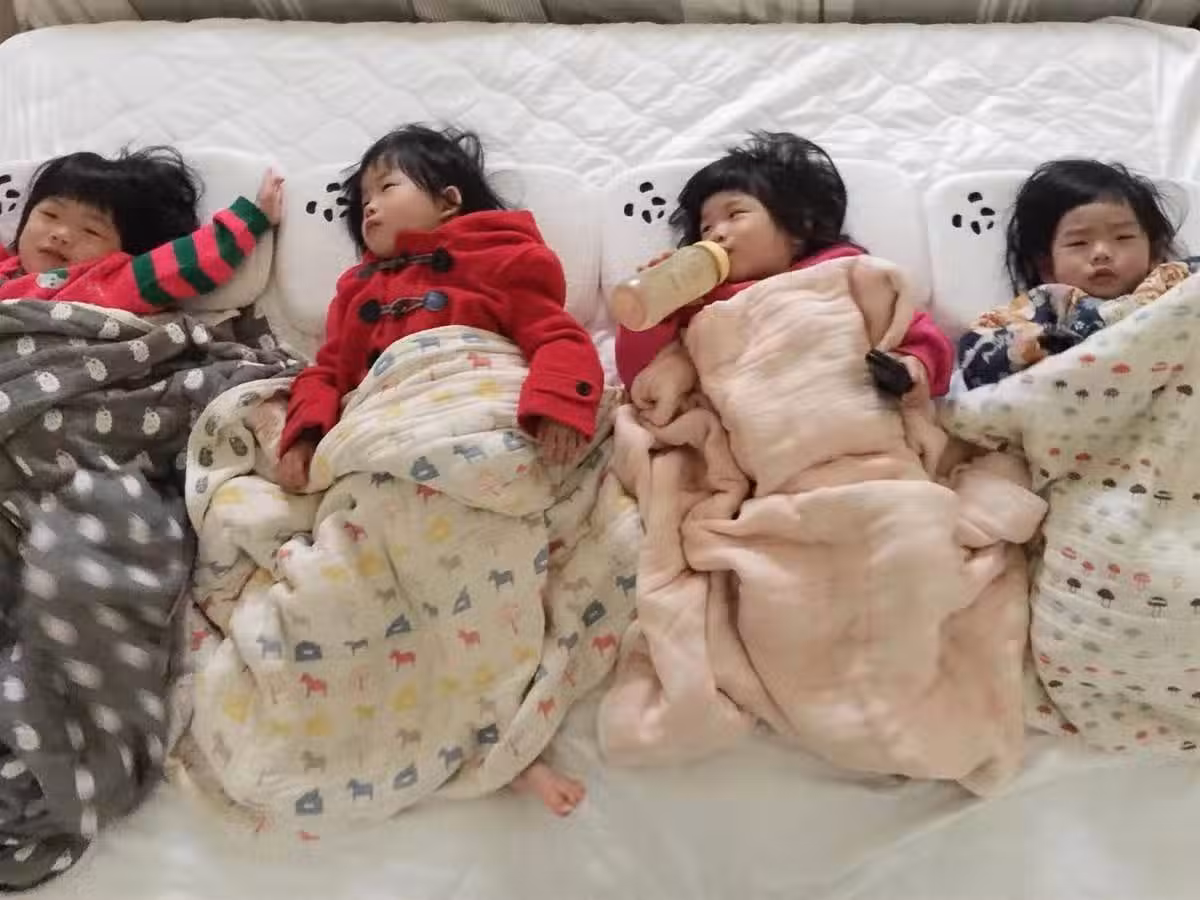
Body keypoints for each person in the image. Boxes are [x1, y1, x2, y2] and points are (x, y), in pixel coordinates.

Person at [276, 124, 603, 816]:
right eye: (360, 202)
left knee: (483, 559)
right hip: (388, 430)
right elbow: (329, 371)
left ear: (450, 200)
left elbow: (556, 336)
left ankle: (507, 732)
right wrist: (303, 434)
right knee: (358, 580)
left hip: (474, 412)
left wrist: (558, 405)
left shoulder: (502, 257)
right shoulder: (356, 290)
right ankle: (440, 722)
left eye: (386, 187)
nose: (368, 207)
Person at [614, 132, 954, 395]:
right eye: (705, 228)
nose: (716, 233)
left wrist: (911, 368)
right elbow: (639, 379)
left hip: (841, 408)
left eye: (735, 214)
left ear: (798, 228)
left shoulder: (845, 273)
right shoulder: (702, 306)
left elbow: (917, 334)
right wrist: (657, 311)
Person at [958, 159, 1195, 389]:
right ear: (1046, 267)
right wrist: (1036, 346)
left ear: (1155, 253)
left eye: (1123, 237)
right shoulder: (1045, 305)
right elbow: (976, 358)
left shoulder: (1175, 282)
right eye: (1078, 242)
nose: (1102, 253)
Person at [0, 146, 282, 311]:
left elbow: (187, 263)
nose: (61, 234)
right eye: (50, 214)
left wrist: (252, 217)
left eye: (91, 231)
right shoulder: (6, 265)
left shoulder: (107, 281)